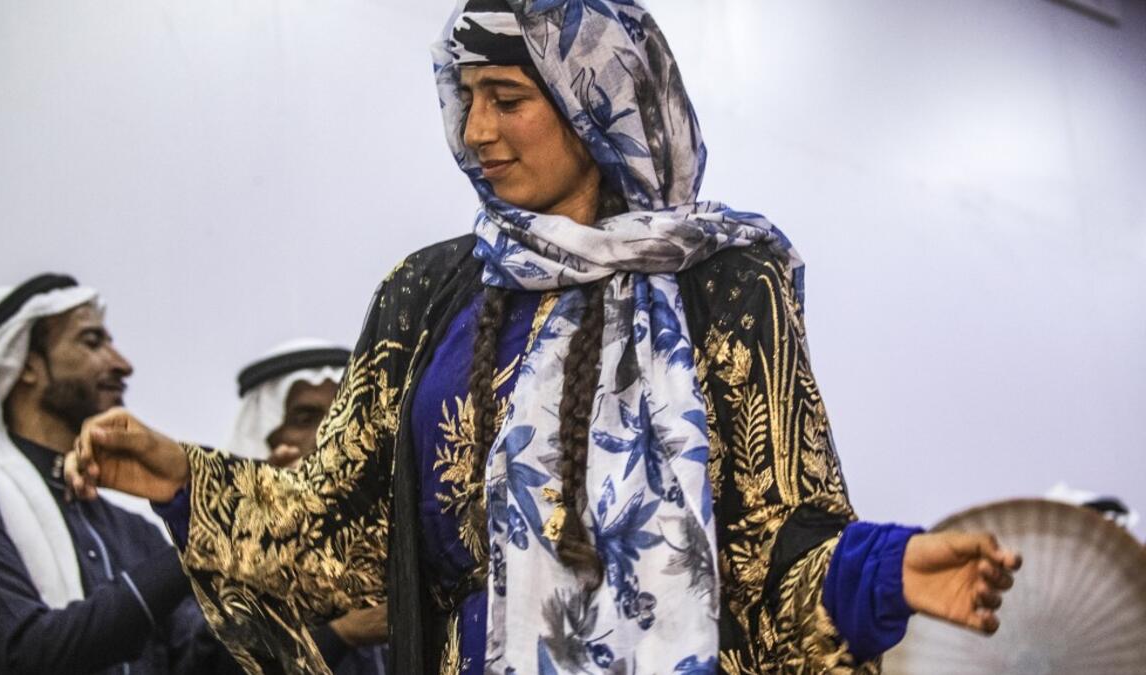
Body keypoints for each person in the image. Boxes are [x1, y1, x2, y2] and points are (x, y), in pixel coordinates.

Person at [67, 1, 1022, 673]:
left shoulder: (725, 279)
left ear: (595, 102)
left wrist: (883, 569)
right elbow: (342, 525)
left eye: (507, 98)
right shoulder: (428, 290)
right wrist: (180, 473)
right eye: (465, 97)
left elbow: (772, 540)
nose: (475, 129)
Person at [0, 273, 240, 674]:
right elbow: (27, 654)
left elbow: (196, 665)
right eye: (91, 342)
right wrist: (196, 546)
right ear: (27, 364)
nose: (122, 364)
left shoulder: (137, 533)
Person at [226, 339, 388, 673]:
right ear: (262, 437)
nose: (330, 434)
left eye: (343, 413)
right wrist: (341, 635)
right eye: (305, 418)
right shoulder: (218, 557)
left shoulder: (388, 541)